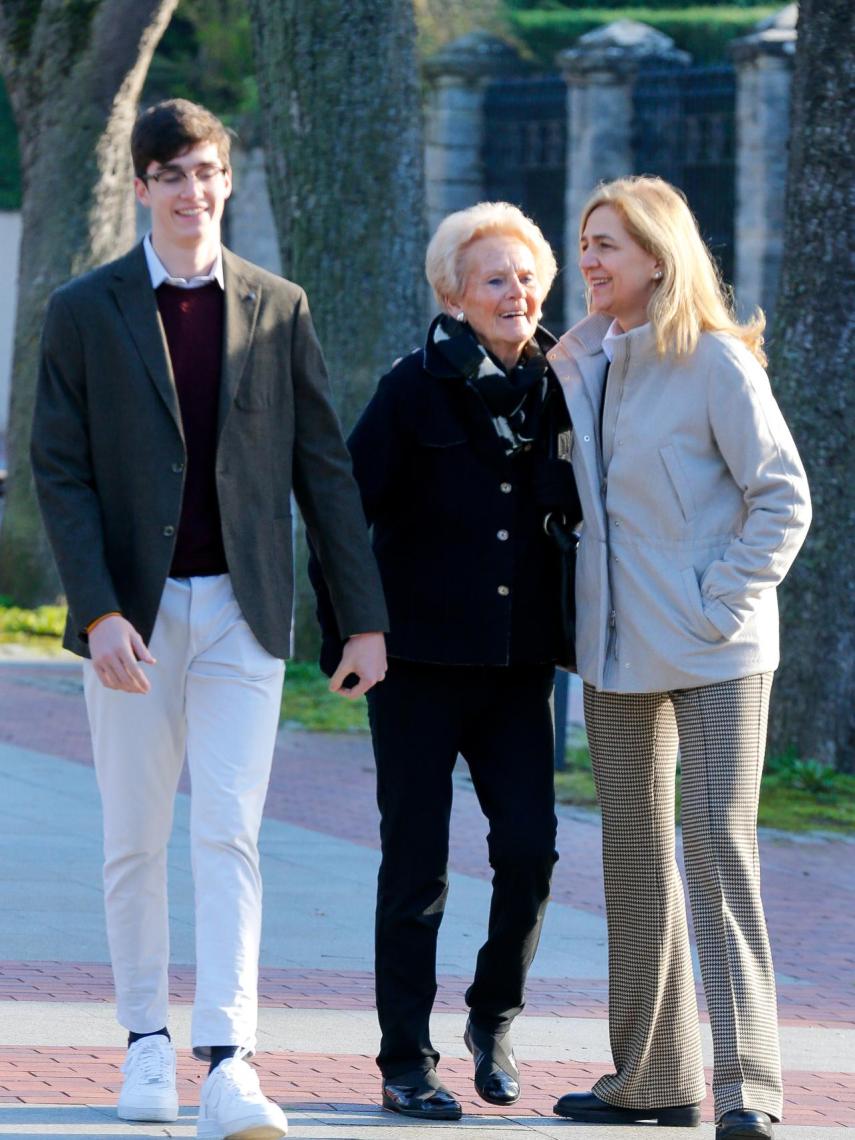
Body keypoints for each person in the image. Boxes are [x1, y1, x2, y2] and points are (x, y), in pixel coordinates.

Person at [31, 98, 388, 1140]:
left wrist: (359, 616)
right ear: (141, 187)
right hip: (130, 621)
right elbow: (59, 471)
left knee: (230, 832)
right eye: (172, 173)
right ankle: (145, 1044)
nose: (193, 190)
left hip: (245, 608)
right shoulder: (84, 309)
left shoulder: (279, 305)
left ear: (229, 181)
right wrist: (95, 608)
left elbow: (323, 467)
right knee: (134, 837)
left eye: (208, 171)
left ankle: (230, 1060)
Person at [546, 176, 811, 1140]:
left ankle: (749, 1091)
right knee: (633, 863)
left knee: (715, 855)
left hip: (714, 650)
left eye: (607, 244)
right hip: (614, 652)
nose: (589, 261)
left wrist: (721, 601)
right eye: (583, 243)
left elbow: (783, 496)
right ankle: (654, 1080)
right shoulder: (584, 361)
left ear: (658, 255)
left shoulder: (714, 363)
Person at [311, 201, 580, 1120]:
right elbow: (343, 516)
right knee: (416, 865)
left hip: (519, 671)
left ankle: (492, 1016)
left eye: (527, 275)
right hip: (418, 666)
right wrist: (356, 628)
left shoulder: (566, 384)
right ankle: (404, 1061)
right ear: (453, 294)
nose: (516, 292)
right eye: (494, 278)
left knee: (531, 853)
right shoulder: (410, 389)